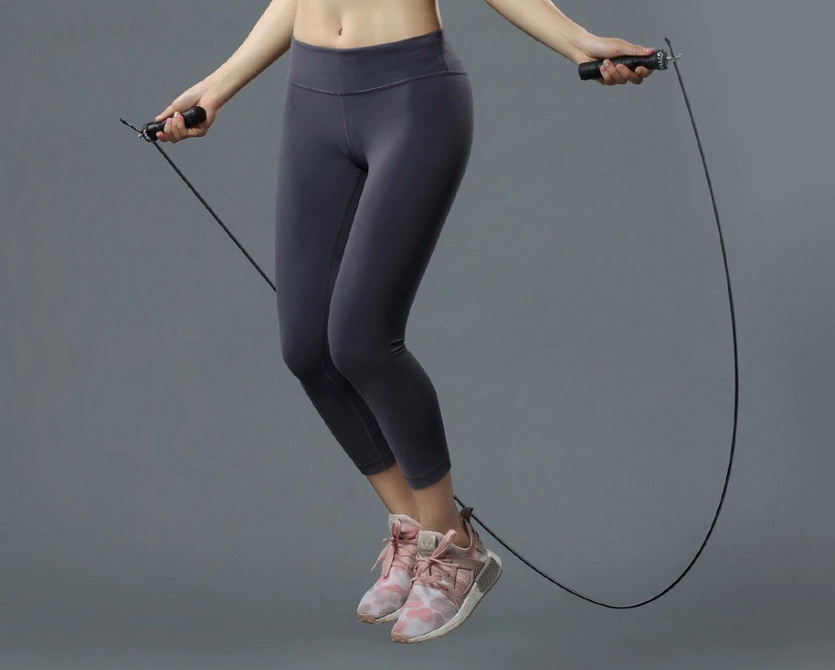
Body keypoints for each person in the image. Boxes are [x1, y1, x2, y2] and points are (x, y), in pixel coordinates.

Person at [154, 0, 653, 644]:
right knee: (307, 349)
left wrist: (579, 43)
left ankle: (454, 545)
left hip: (411, 95)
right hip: (312, 98)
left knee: (361, 340)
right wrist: (217, 87)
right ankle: (417, 535)